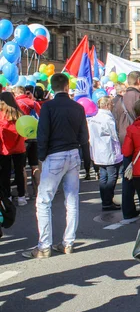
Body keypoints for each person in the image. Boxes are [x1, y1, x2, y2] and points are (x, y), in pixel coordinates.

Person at [23, 73, 89, 258]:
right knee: (72, 199)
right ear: (67, 87)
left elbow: (43, 133)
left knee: (44, 201)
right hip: (73, 153)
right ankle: (68, 242)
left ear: (52, 88)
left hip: (55, 154)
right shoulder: (77, 107)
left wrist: (41, 158)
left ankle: (44, 245)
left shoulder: (48, 107)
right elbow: (84, 136)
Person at [112, 71, 140, 224]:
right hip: (139, 141)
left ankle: (128, 211)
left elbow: (115, 120)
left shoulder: (117, 100)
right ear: (139, 81)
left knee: (127, 176)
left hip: (124, 140)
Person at [87, 96, 123, 211]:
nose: (112, 106)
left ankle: (106, 201)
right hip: (108, 150)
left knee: (103, 177)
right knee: (112, 177)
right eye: (111, 104)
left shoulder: (94, 118)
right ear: (107, 105)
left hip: (98, 151)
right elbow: (115, 136)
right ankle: (108, 201)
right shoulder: (107, 118)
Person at [14, 86, 42, 197]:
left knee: (22, 167)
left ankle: (24, 193)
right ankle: (38, 192)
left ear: (16, 93)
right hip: (35, 135)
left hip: (23, 137)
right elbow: (41, 117)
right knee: (35, 166)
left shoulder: (15, 103)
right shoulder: (33, 102)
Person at [0, 92, 27, 206]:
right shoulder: (19, 113)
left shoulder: (1, 114)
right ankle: (22, 197)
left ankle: (8, 196)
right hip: (19, 147)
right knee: (19, 172)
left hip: (4, 148)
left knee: (5, 173)